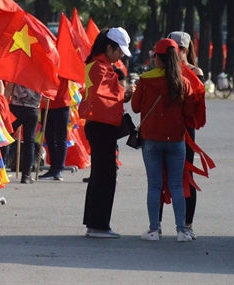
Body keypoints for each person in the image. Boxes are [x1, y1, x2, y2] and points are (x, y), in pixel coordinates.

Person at [131, 38, 194, 242]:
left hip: (151, 139)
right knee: (176, 184)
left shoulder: (145, 80)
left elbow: (135, 108)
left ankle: (153, 230)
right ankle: (182, 231)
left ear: (156, 58)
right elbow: (190, 113)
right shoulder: (183, 82)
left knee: (154, 185)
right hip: (176, 140)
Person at [79, 27, 133, 238]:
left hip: (101, 126)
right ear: (109, 47)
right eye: (119, 51)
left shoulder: (100, 65)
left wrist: (123, 94)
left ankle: (95, 223)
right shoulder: (98, 67)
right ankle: (99, 225)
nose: (121, 56)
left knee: (101, 175)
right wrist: (124, 93)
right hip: (101, 126)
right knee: (105, 176)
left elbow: (107, 94)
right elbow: (102, 96)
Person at [161, 31, 205, 239]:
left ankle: (187, 224)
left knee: (186, 176)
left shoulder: (195, 72)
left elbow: (197, 106)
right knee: (159, 177)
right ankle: (156, 224)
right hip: (163, 129)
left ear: (184, 50)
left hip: (186, 131)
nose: (170, 53)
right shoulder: (161, 70)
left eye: (174, 49)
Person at [4, 83, 41, 184]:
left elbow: (9, 88)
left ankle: (1, 168)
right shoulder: (42, 72)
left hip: (16, 107)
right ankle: (26, 175)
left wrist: (3, 105)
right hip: (33, 109)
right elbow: (46, 96)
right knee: (30, 141)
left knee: (7, 137)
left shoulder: (18, 70)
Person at [39, 78, 71, 181]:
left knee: (61, 138)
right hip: (46, 105)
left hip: (61, 103)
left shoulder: (64, 67)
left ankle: (59, 168)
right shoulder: (45, 67)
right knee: (49, 137)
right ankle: (53, 167)